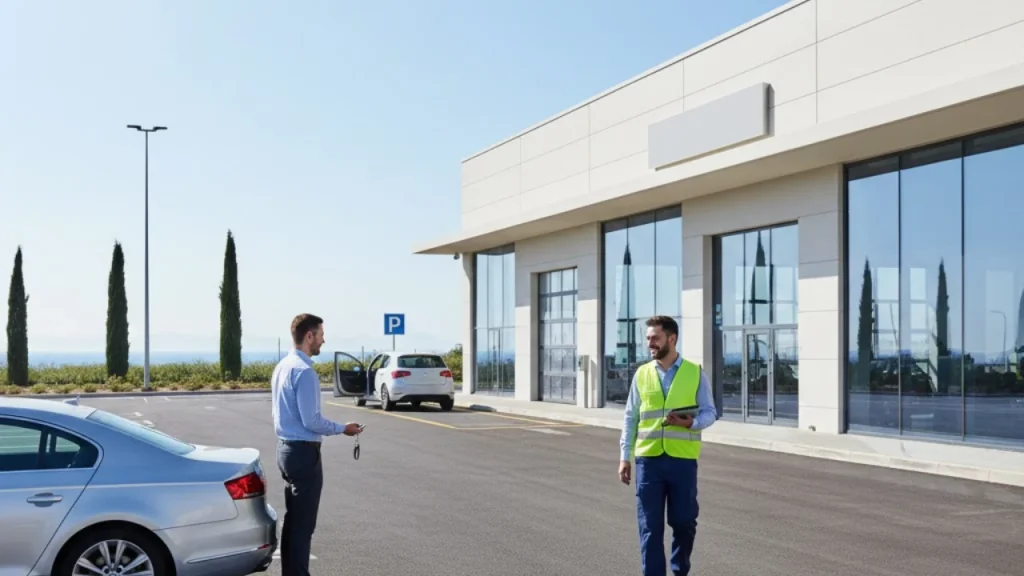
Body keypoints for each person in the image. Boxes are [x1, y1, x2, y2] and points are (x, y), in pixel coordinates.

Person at [618, 315, 718, 576]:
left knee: (684, 522)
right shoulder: (641, 374)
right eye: (648, 338)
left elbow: (710, 412)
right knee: (650, 527)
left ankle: (679, 569)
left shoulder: (694, 373)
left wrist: (691, 423)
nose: (650, 343)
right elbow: (631, 416)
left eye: (655, 338)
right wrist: (624, 456)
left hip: (682, 461)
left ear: (671, 339)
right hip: (648, 461)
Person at [272, 313, 363, 576]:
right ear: (309, 336)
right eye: (321, 335)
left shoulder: (283, 366)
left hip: (285, 450)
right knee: (303, 525)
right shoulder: (304, 371)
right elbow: (311, 420)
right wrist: (342, 429)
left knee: (293, 520)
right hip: (302, 452)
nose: (324, 340)